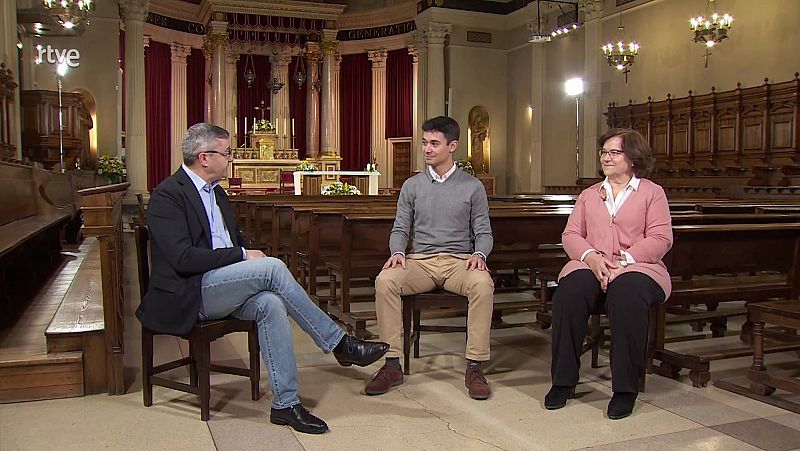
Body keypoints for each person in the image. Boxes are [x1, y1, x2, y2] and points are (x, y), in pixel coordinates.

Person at [136, 123, 389, 434]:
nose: (231, 159)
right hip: (188, 292)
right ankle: (339, 343)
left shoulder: (219, 195)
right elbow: (183, 259)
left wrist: (241, 252)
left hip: (222, 285)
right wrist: (243, 256)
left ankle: (285, 404)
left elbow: (233, 238)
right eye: (226, 153)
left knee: (270, 302)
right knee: (271, 267)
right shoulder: (167, 196)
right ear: (204, 157)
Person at [544, 128, 672, 420]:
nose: (607, 158)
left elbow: (661, 238)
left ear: (633, 158)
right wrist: (591, 257)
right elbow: (571, 234)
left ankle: (625, 389)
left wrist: (625, 259)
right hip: (592, 263)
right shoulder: (590, 195)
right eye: (604, 152)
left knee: (627, 294)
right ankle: (563, 382)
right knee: (569, 292)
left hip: (640, 266)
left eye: (615, 152)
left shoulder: (652, 193)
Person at [366, 116, 495, 400]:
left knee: (483, 284)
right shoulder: (412, 186)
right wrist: (398, 252)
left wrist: (479, 253)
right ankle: (391, 364)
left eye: (434, 144)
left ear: (453, 146)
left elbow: (484, 232)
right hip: (420, 261)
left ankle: (474, 366)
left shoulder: (472, 187)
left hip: (459, 261)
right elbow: (400, 227)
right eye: (424, 143)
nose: (426, 149)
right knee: (385, 281)